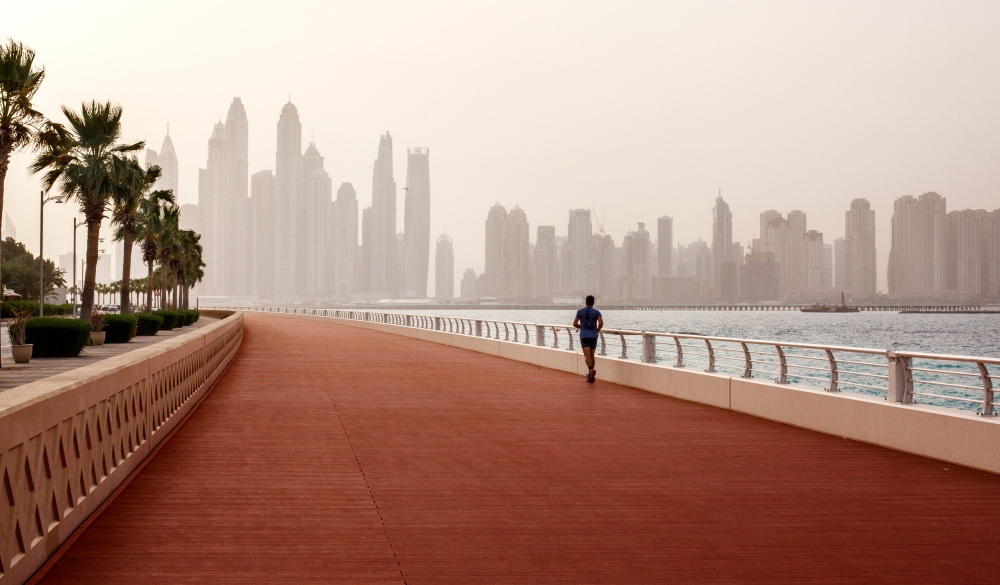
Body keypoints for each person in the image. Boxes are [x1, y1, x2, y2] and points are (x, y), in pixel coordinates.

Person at [573, 295, 603, 383]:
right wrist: (597, 330)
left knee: (586, 355)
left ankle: (590, 370)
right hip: (594, 335)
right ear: (593, 303)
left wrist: (581, 327)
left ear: (585, 302)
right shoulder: (597, 312)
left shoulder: (580, 311)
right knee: (592, 355)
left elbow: (574, 324)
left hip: (584, 335)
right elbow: (601, 322)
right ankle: (591, 376)